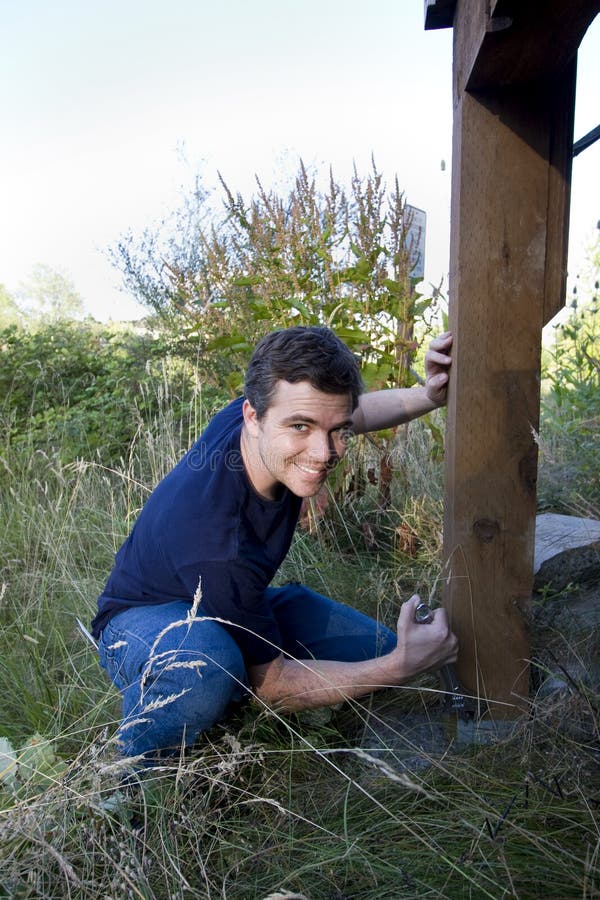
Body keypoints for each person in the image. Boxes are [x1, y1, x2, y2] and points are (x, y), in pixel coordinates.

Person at [92, 326, 458, 761]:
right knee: (206, 668)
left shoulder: (265, 416)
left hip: (226, 596)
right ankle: (135, 781)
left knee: (374, 650)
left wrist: (430, 395)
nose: (323, 453)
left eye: (335, 430)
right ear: (253, 417)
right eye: (300, 427)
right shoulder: (215, 536)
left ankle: (232, 674)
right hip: (142, 623)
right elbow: (276, 688)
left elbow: (348, 413)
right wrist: (400, 669)